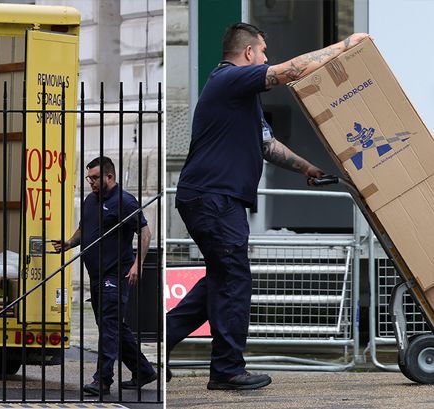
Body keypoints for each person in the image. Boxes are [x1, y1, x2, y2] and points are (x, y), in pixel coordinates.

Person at [166, 22, 370, 391]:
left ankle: (159, 343)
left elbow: (266, 144)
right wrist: (346, 45)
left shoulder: (240, 97)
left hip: (211, 198)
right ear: (248, 53)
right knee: (233, 279)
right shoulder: (229, 79)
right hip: (214, 198)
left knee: (221, 278)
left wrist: (307, 167)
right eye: (261, 52)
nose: (265, 58)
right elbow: (288, 71)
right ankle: (227, 369)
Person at [53, 156, 157, 395]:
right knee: (113, 326)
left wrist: (137, 264)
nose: (91, 182)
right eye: (89, 178)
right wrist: (69, 242)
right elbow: (84, 228)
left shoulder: (125, 201)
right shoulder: (91, 200)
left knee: (109, 327)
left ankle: (102, 380)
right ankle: (144, 371)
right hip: (96, 274)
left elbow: (145, 232)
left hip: (116, 273)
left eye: (96, 178)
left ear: (110, 176)